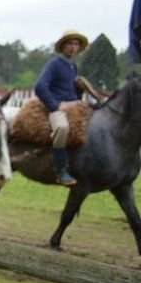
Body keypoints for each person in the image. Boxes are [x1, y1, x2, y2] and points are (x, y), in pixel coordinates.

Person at [33, 30, 89, 186]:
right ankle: (60, 170)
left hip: (75, 106)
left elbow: (72, 92)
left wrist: (80, 88)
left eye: (76, 44)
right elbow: (40, 87)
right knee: (62, 128)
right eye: (70, 43)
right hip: (58, 108)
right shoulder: (54, 64)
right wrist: (56, 105)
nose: (73, 47)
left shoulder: (73, 67)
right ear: (63, 46)